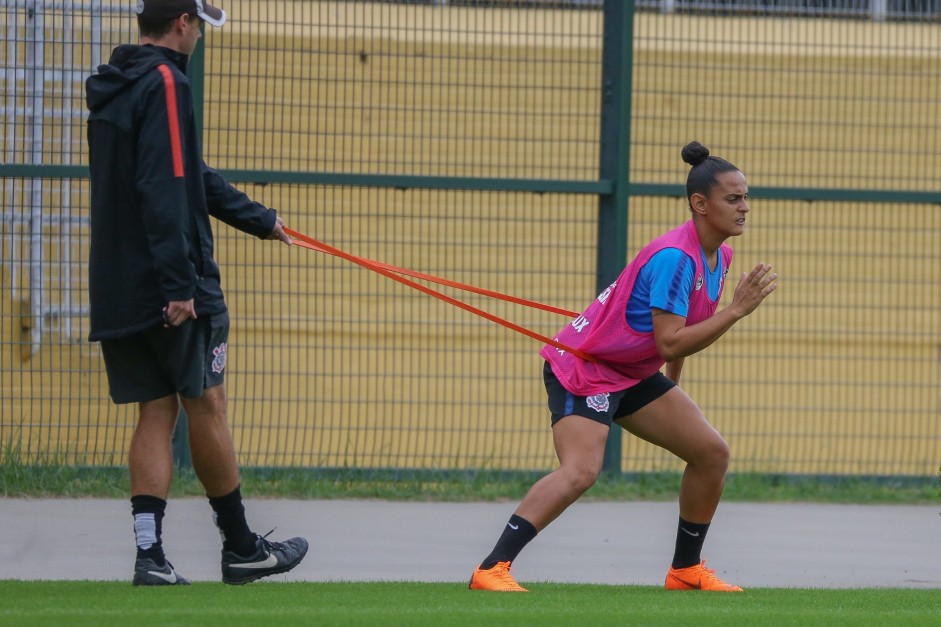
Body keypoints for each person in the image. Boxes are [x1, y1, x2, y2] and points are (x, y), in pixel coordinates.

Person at [469, 141, 778, 593]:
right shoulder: (676, 257)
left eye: (746, 197)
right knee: (581, 471)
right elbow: (671, 339)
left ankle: (685, 571)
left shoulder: (720, 255)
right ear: (700, 203)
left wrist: (672, 389)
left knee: (711, 453)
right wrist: (735, 311)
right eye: (734, 199)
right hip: (585, 367)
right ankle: (491, 569)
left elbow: (678, 334)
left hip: (630, 371)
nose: (745, 207)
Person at [85, 0, 308, 586]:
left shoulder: (117, 84)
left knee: (154, 411)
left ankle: (149, 557)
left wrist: (259, 218)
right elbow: (164, 186)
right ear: (183, 22)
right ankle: (240, 548)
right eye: (200, 25)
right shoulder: (165, 82)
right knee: (206, 404)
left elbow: (188, 174)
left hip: (119, 288)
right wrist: (180, 284)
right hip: (173, 289)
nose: (201, 37)